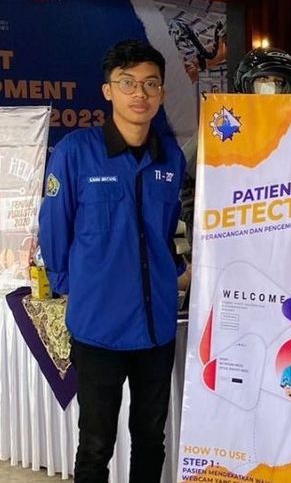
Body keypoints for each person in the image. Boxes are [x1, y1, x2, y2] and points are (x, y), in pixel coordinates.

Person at [38, 39, 186, 482]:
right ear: (108, 91)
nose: (140, 93)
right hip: (99, 326)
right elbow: (54, 229)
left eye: (150, 84)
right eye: (127, 83)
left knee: (151, 437)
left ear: (161, 93)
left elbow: (165, 232)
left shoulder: (170, 157)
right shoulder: (76, 153)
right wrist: (72, 288)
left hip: (156, 325)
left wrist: (173, 277)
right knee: (96, 443)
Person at [180, 47, 291, 248]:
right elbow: (180, 169)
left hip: (278, 239)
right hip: (226, 238)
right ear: (246, 83)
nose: (271, 88)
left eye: (279, 82)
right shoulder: (226, 124)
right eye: (263, 80)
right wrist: (193, 215)